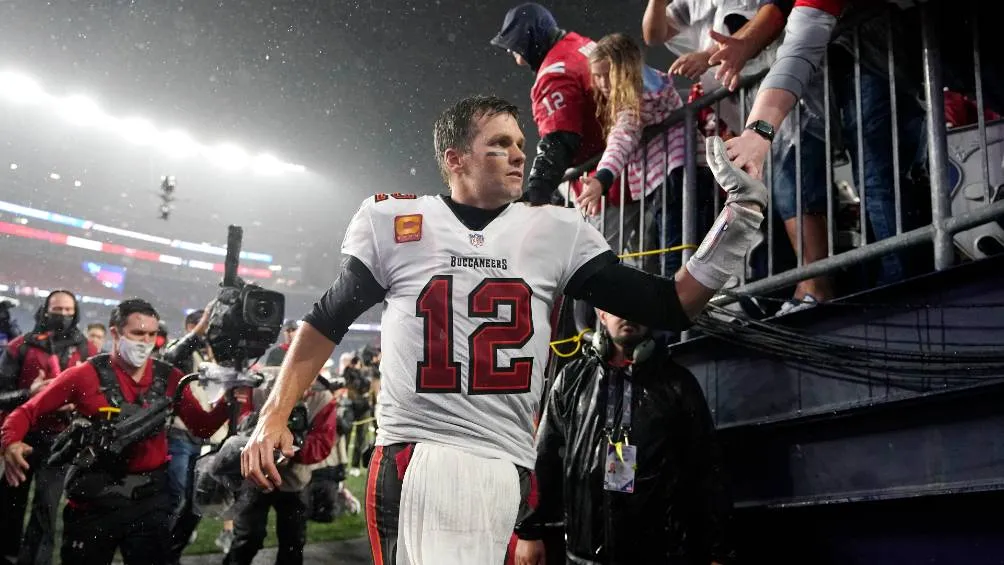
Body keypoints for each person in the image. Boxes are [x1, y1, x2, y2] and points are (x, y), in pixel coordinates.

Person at [240, 95, 767, 565]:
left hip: (505, 460)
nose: (520, 154)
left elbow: (669, 304)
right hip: (418, 449)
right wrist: (273, 416)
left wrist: (739, 218)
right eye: (499, 144)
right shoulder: (397, 222)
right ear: (455, 159)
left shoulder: (553, 230)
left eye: (520, 142)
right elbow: (326, 319)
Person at [1, 298, 233, 565]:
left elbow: (202, 426)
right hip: (94, 501)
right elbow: (27, 411)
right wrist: (11, 441)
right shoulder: (84, 375)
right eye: (137, 333)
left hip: (149, 499)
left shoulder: (169, 377)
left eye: (151, 334)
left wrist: (230, 400)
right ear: (115, 333)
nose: (145, 341)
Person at [514, 310, 734, 565]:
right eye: (617, 305)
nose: (628, 314)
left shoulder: (679, 385)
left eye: (636, 305)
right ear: (601, 314)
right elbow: (543, 460)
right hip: (582, 558)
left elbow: (707, 472)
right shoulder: (570, 380)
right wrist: (528, 532)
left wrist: (719, 553)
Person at [577, 32, 717, 277]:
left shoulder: (635, 99)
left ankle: (676, 308)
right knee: (691, 248)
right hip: (686, 171)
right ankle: (689, 302)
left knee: (675, 253)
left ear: (625, 69)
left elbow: (622, 136)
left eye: (606, 74)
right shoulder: (653, 84)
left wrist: (603, 178)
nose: (601, 83)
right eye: (596, 76)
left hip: (672, 176)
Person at [0, 290, 96, 565]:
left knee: (47, 507)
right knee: (10, 506)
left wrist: (75, 404)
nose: (63, 316)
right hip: (20, 436)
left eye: (69, 311)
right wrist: (27, 394)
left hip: (61, 440)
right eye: (58, 310)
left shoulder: (87, 349)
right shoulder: (20, 347)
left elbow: (96, 395)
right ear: (45, 310)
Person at [490, 3, 606, 207]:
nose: (514, 54)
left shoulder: (554, 73)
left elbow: (559, 141)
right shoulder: (580, 43)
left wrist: (537, 191)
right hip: (631, 159)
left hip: (607, 182)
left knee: (596, 239)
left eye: (516, 45)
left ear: (530, 40)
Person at [224, 374, 339, 565]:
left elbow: (322, 444)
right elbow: (238, 427)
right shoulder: (258, 388)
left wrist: (292, 450)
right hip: (256, 476)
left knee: (292, 543)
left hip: (294, 479)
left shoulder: (323, 398)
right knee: (247, 539)